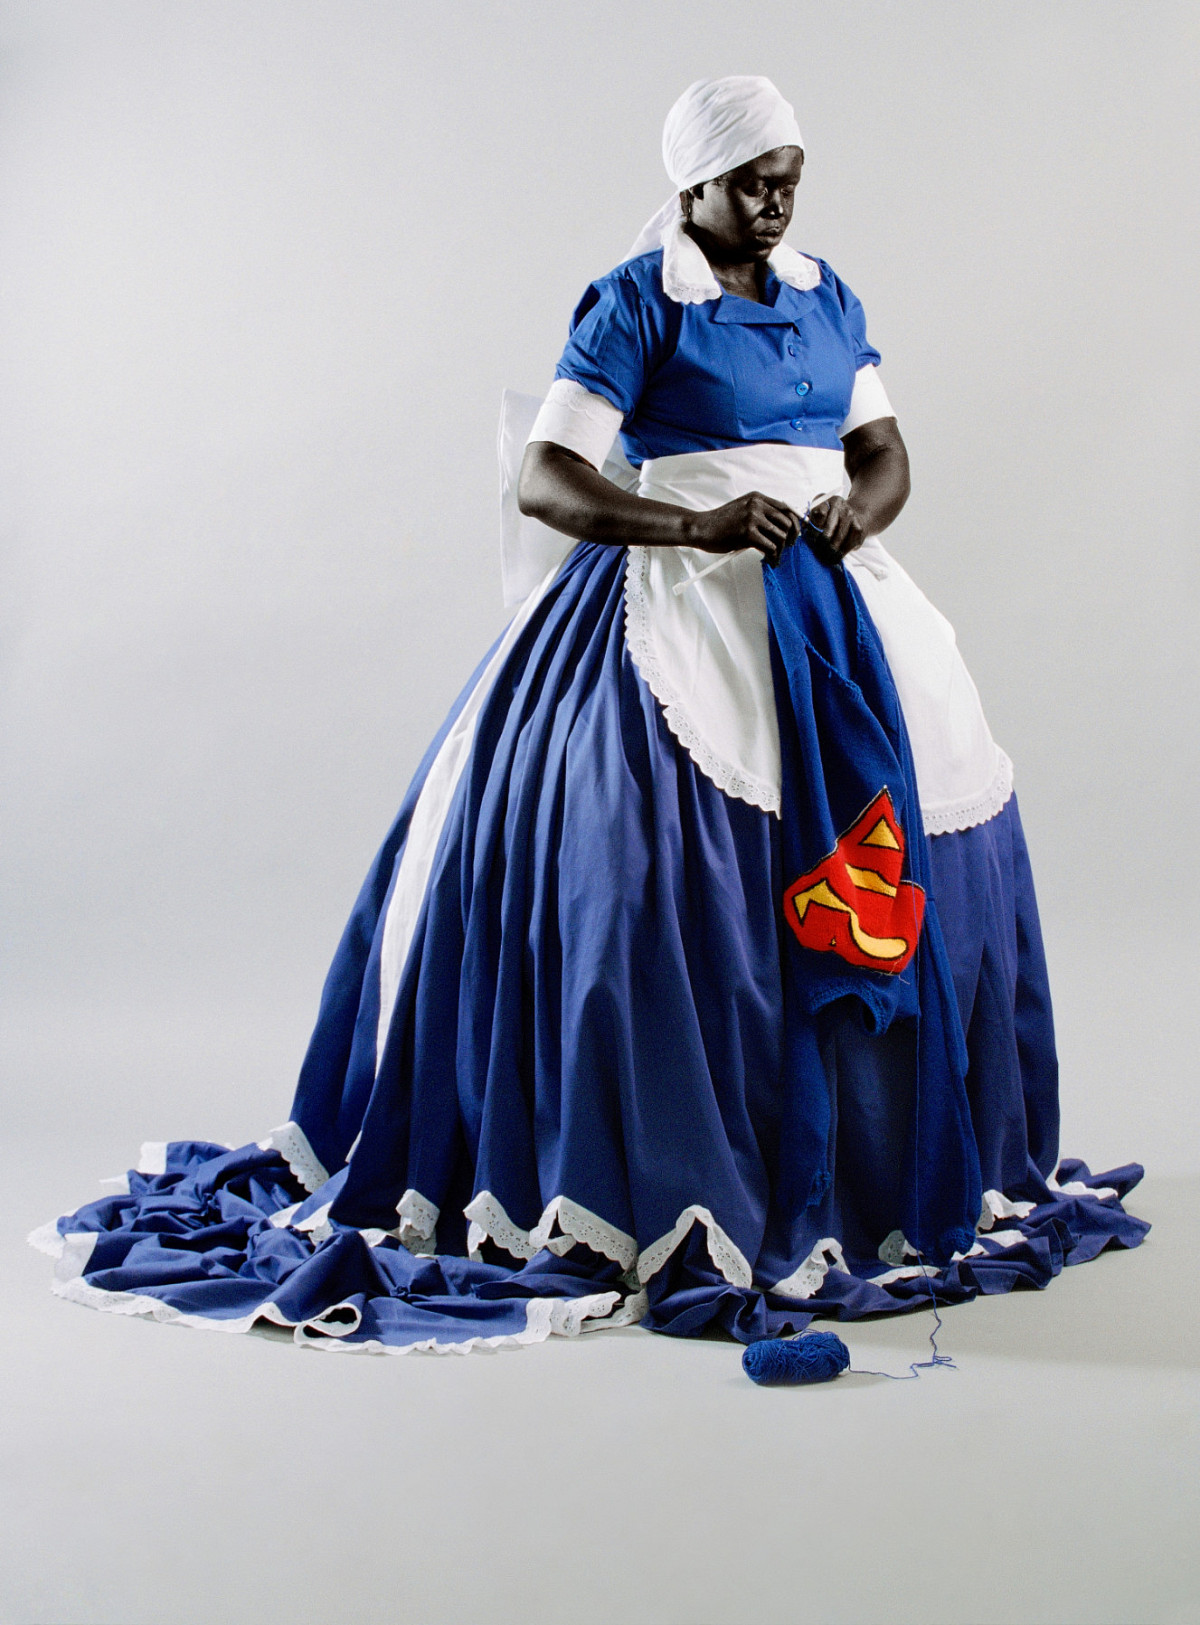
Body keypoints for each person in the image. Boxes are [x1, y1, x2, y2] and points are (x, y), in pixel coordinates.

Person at [31, 77, 1146, 1356]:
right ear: (692, 190)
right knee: (639, 867)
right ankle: (657, 1158)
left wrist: (860, 512)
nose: (778, 200)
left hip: (838, 602)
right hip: (681, 581)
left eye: (791, 175)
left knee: (938, 781)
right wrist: (697, 525)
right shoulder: (632, 303)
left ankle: (885, 1172)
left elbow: (884, 450)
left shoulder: (831, 294)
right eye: (752, 182)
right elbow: (546, 476)